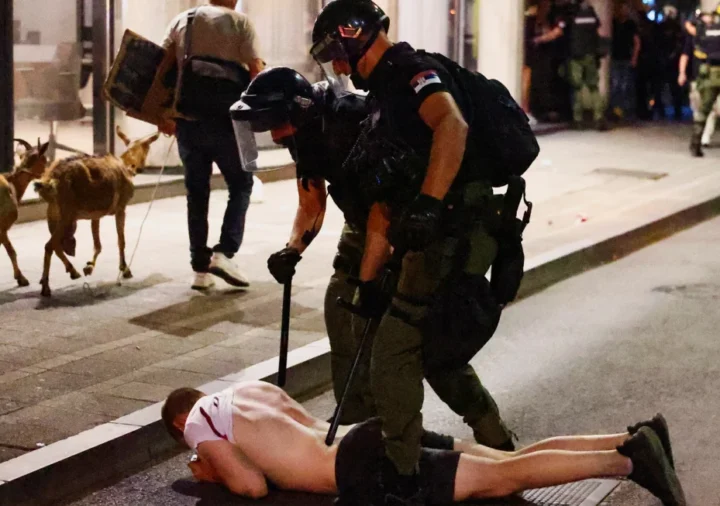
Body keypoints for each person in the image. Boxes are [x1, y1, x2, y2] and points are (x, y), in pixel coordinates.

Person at [310, 1, 538, 503]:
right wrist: (367, 284)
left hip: (460, 226)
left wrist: (430, 204)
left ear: (355, 35)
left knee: (395, 347)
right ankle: (497, 444)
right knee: (433, 352)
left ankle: (403, 476)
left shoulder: (411, 73)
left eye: (337, 52)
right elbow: (383, 204)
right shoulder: (380, 99)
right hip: (430, 232)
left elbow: (451, 124)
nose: (338, 65)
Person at [232, 67, 515, 447]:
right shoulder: (304, 132)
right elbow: (311, 200)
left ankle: (490, 432)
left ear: (298, 111)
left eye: (276, 124)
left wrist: (368, 283)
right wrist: (292, 249)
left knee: (421, 345)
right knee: (342, 312)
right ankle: (359, 429)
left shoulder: (355, 122)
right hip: (364, 225)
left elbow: (384, 212)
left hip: (414, 228)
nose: (275, 135)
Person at [161, 381, 687, 506]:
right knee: (505, 460)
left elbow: (251, 486)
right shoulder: (249, 391)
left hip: (360, 467)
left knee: (502, 478)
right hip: (369, 434)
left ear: (181, 419)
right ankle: (631, 435)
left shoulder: (198, 424)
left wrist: (211, 468)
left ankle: (626, 461)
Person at [161, 0, 265, 290]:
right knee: (242, 184)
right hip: (230, 123)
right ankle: (224, 253)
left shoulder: (184, 19)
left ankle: (200, 270)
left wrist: (162, 114)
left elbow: (162, 67)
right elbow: (256, 71)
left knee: (196, 194)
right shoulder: (240, 22)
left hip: (188, 120)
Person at [563, 0, 606, 130]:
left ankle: (578, 120)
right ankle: (599, 118)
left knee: (577, 87)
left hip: (575, 55)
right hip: (590, 54)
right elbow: (598, 31)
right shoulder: (591, 12)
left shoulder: (570, 12)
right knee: (593, 87)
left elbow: (561, 29)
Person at [679, 11, 718, 150]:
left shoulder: (708, 33)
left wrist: (688, 26)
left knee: (710, 109)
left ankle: (702, 139)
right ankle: (699, 138)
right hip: (698, 77)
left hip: (711, 77)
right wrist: (682, 72)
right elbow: (685, 55)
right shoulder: (696, 36)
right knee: (699, 109)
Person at [610, 1, 641, 121]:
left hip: (626, 58)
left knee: (625, 86)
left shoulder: (630, 25)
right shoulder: (613, 23)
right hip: (615, 58)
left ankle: (625, 111)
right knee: (615, 85)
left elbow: (637, 42)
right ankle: (616, 110)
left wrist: (634, 57)